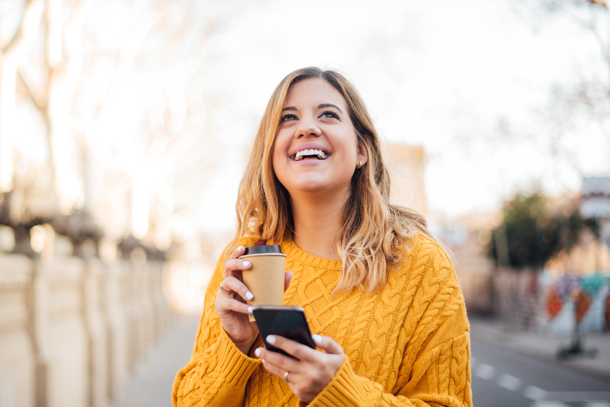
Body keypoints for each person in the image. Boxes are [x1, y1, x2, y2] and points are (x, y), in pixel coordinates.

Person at [172, 67, 472, 407]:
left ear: (362, 150)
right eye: (288, 118)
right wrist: (235, 344)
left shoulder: (423, 266)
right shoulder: (245, 257)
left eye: (328, 115)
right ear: (271, 153)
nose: (307, 128)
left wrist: (340, 394)